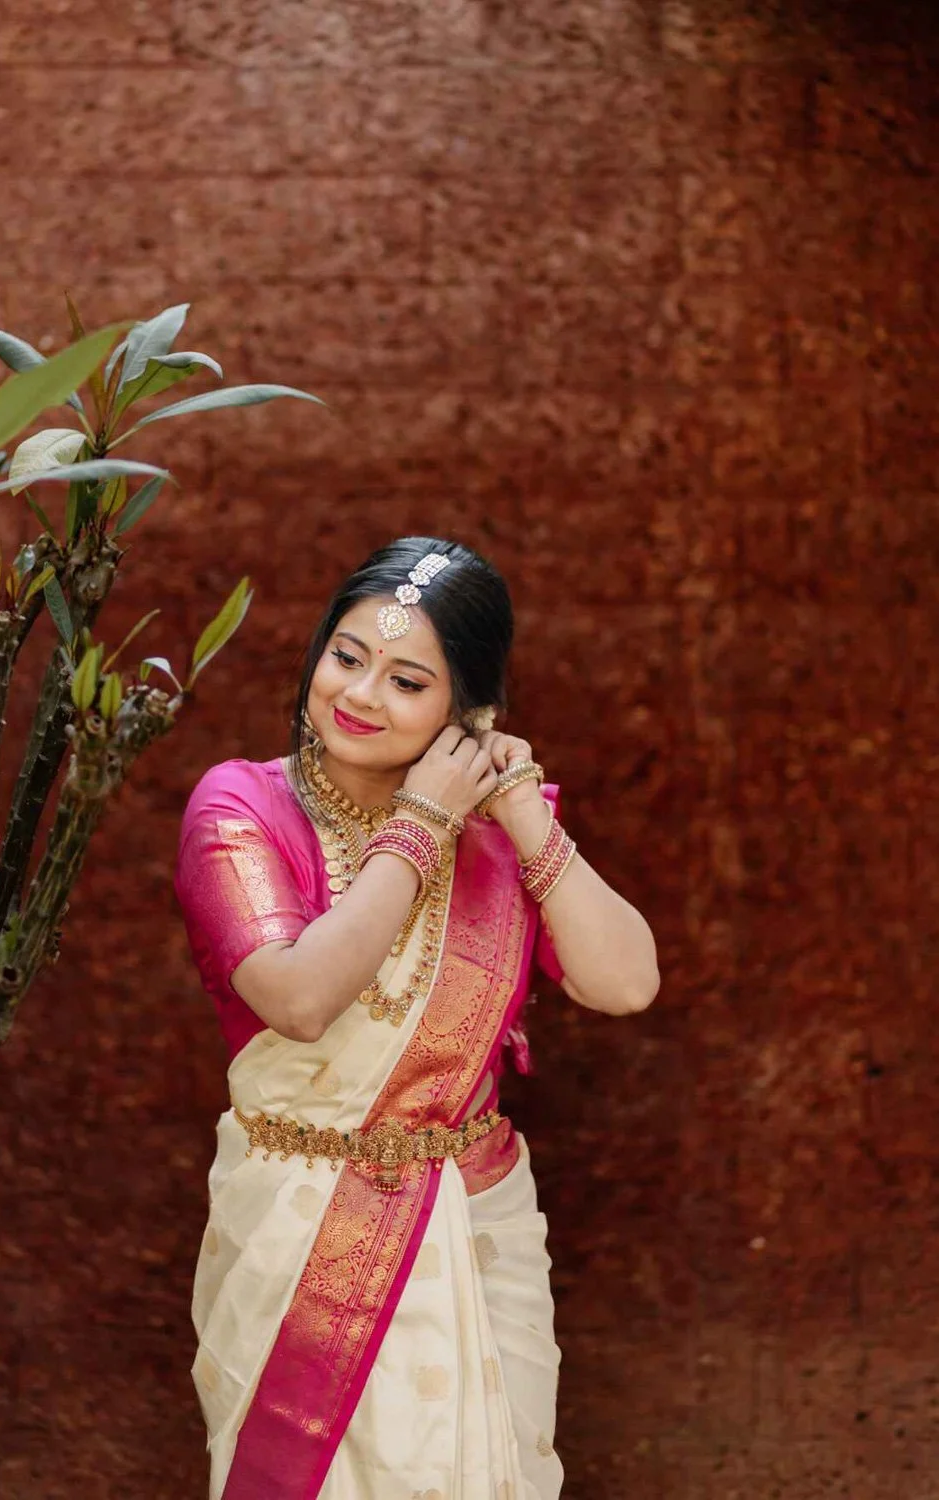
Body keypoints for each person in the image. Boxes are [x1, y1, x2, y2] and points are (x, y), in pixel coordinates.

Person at [174, 536, 660, 1500]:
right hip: (295, 1231)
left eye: (406, 680)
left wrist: (518, 810)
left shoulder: (499, 837)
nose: (357, 695)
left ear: (467, 712)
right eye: (345, 657)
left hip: (472, 1225)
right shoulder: (241, 805)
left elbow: (625, 983)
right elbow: (300, 998)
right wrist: (425, 823)